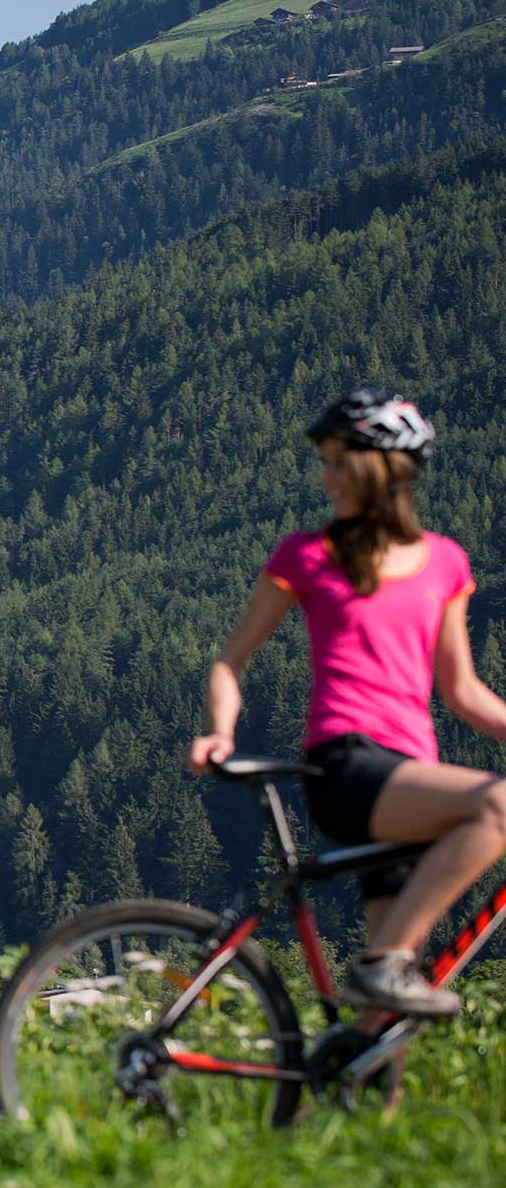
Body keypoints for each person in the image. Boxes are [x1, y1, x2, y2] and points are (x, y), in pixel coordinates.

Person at [188, 388, 506, 1019]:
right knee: (499, 805)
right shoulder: (307, 556)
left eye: (338, 461)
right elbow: (231, 660)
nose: (326, 476)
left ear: (380, 467)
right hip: (347, 768)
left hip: (405, 776)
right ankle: (380, 966)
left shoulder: (446, 564)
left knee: (388, 1010)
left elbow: (462, 690)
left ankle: (364, 1101)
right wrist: (220, 731)